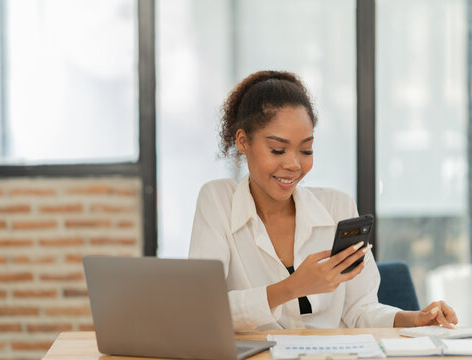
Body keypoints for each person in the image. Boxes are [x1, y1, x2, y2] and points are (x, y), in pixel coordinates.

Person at [188, 70, 458, 330]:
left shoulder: (337, 206)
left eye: (306, 150)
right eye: (278, 149)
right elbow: (200, 310)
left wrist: (414, 319)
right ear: (243, 141)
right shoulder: (218, 201)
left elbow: (360, 309)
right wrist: (293, 287)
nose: (294, 164)